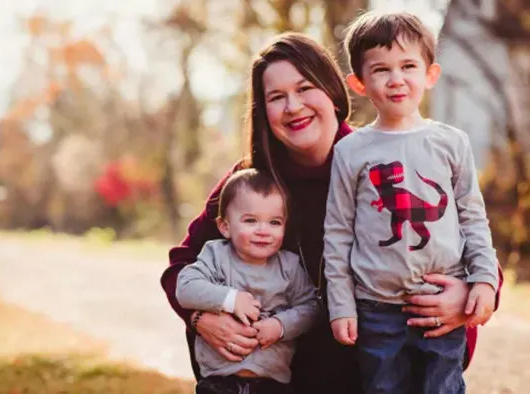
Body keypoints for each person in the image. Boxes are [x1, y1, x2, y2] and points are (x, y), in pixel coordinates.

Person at [159, 31, 503, 394]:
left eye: (305, 88)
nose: (293, 107)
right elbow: (181, 266)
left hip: (376, 368)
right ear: (264, 112)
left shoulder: (379, 158)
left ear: (333, 91)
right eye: (276, 97)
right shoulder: (252, 185)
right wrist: (200, 318)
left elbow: (465, 229)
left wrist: (467, 294)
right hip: (285, 378)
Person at [323, 11, 499, 394]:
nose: (396, 79)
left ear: (429, 75)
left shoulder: (451, 143)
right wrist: (342, 305)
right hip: (375, 309)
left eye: (408, 66)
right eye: (381, 69)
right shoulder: (351, 151)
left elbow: (472, 216)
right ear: (359, 83)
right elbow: (337, 232)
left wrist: (484, 279)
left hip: (439, 302)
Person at [176, 168, 321, 394]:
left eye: (274, 222)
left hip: (272, 383)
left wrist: (281, 326)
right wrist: (229, 299)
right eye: (251, 221)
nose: (263, 231)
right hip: (219, 383)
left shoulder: (289, 266)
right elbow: (185, 287)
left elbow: (312, 307)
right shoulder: (216, 255)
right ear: (225, 227)